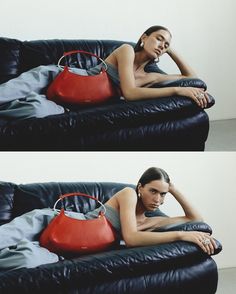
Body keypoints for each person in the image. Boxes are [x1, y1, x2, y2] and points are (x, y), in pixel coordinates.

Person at [0, 167, 216, 271]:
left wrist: (174, 188)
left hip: (65, 247)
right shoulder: (128, 194)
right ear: (140, 187)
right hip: (55, 221)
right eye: (153, 191)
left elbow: (194, 218)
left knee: (24, 260)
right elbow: (131, 238)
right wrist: (180, 234)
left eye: (163, 194)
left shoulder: (153, 222)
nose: (158, 199)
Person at [0, 25, 209, 120]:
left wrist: (170, 50)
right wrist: (176, 91)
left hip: (68, 105)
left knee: (34, 112)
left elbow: (193, 79)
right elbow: (130, 93)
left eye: (166, 44)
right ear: (143, 37)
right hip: (59, 77)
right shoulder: (126, 50)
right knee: (5, 94)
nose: (162, 45)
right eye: (158, 38)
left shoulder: (152, 77)